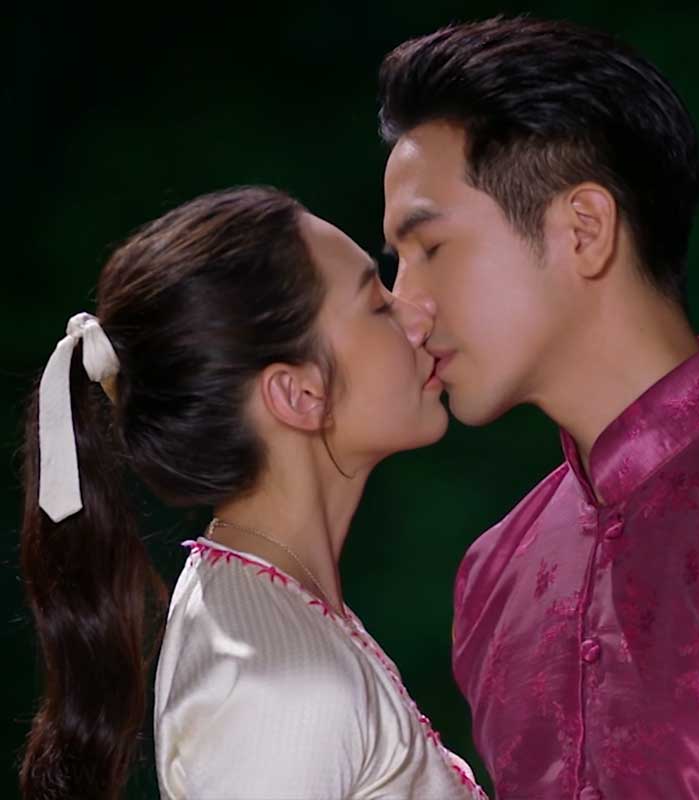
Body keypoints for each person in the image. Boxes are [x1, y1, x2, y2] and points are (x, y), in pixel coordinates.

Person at [378, 16, 699, 800]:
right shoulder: (494, 578)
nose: (406, 307)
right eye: (395, 262)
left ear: (584, 229)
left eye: (429, 248)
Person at [19, 186, 487, 800]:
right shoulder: (279, 685)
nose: (418, 316)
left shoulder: (260, 607)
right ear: (298, 394)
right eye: (377, 304)